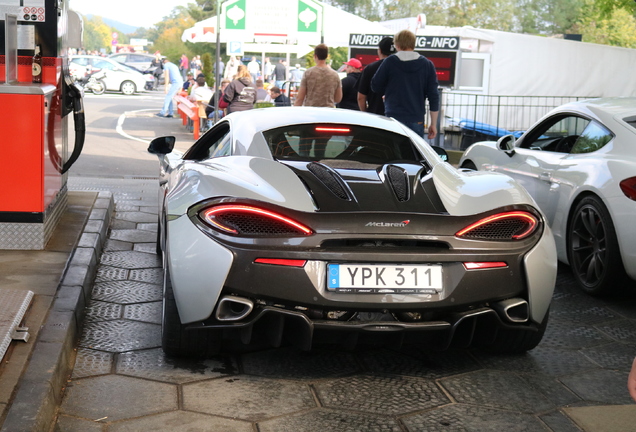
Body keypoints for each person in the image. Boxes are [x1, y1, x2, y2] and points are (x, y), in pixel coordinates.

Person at [371, 29, 440, 138]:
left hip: (393, 117)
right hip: (416, 119)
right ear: (413, 44)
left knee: (393, 152)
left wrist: (389, 92)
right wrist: (433, 124)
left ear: (397, 45)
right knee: (413, 153)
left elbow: (375, 86)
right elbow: (433, 95)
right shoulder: (427, 64)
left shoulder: (390, 62)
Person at [294, 43, 342, 108]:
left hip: (311, 111)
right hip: (328, 111)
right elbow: (338, 98)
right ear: (326, 56)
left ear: (315, 56)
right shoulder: (335, 75)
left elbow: (300, 98)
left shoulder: (308, 73)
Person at [358, 36, 394, 115]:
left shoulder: (370, 68)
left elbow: (361, 97)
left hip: (375, 116)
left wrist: (365, 113)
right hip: (396, 117)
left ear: (380, 51)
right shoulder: (401, 68)